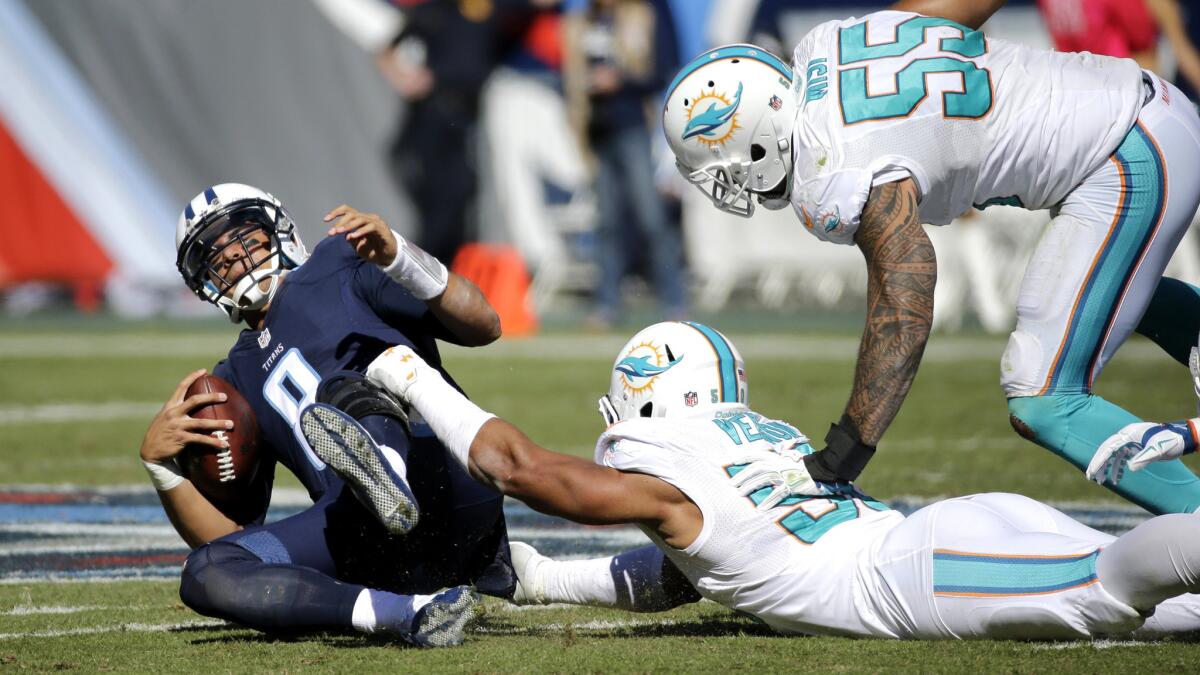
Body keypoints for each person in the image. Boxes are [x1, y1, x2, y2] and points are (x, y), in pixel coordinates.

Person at [659, 1, 1200, 513]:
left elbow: (907, 289)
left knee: (1041, 394)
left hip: (1127, 153)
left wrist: (844, 452)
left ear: (753, 140)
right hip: (1139, 105)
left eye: (718, 167)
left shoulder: (831, 172)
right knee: (1091, 294)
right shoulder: (831, 44)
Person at [343, 321, 1200, 640]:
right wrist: (537, 578)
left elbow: (518, 468)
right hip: (948, 530)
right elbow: (685, 580)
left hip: (917, 574)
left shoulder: (661, 466)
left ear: (637, 400)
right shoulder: (761, 437)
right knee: (1168, 610)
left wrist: (414, 379)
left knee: (1113, 583)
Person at [138, 183, 513, 647]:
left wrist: (401, 256)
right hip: (373, 546)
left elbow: (485, 325)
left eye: (244, 238)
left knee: (346, 390)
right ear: (203, 282)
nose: (234, 258)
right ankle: (407, 613)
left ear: (279, 230)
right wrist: (162, 469)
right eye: (216, 256)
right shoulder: (231, 381)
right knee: (207, 572)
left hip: (445, 478)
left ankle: (388, 471)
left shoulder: (339, 260)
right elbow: (233, 539)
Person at [563, 0, 687, 326]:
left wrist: (620, 80)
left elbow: (660, 73)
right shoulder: (582, 21)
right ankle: (607, 305)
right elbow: (573, 78)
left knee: (651, 217)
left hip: (633, 127)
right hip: (596, 131)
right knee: (607, 223)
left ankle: (674, 301)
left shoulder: (641, 13)